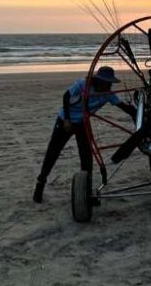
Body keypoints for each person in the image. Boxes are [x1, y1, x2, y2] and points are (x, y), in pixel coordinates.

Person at [33, 66, 135, 203]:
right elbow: (66, 96)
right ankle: (40, 183)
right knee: (53, 152)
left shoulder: (108, 94)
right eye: (106, 82)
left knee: (86, 156)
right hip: (66, 120)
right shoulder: (83, 84)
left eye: (110, 83)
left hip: (82, 122)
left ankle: (86, 191)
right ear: (98, 80)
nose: (108, 85)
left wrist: (137, 114)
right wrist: (67, 120)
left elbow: (123, 107)